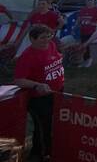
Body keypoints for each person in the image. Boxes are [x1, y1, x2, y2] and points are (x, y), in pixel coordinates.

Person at [14, 25, 64, 161]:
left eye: (48, 36)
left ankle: (52, 147)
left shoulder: (52, 45)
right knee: (43, 126)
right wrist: (37, 85)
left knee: (56, 122)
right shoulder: (27, 57)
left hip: (57, 92)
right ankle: (42, 153)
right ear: (32, 39)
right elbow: (19, 80)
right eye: (42, 38)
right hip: (39, 98)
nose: (46, 40)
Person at [76, 0, 97, 68]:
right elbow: (79, 19)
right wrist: (75, 27)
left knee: (87, 45)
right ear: (86, 1)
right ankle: (85, 60)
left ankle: (88, 60)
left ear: (93, 1)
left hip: (92, 30)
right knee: (83, 45)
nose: (89, 1)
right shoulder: (83, 10)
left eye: (91, 0)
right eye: (88, 0)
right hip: (83, 30)